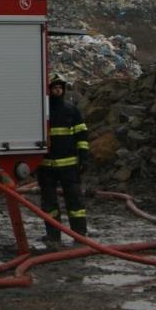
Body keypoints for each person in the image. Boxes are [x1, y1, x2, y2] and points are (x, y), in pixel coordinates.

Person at [39, 76, 91, 246]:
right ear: (49, 90)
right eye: (54, 87)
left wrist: (84, 157)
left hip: (69, 166)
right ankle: (53, 235)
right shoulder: (42, 112)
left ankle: (80, 233)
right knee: (49, 203)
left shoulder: (72, 110)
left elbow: (81, 135)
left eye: (60, 87)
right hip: (46, 167)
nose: (57, 90)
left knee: (75, 201)